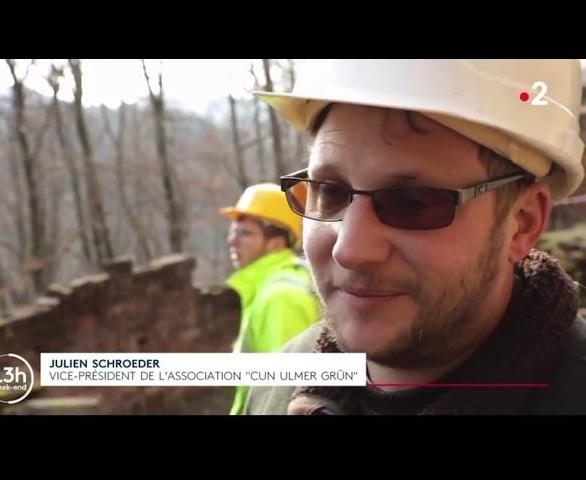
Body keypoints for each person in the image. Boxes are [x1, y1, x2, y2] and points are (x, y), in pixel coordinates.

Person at [244, 59, 586, 415]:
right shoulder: (278, 383)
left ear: (522, 222)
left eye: (412, 202)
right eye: (329, 191)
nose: (350, 250)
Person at [220, 183, 320, 415]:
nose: (232, 241)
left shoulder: (280, 298)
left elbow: (284, 392)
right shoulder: (273, 287)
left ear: (276, 243)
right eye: (233, 231)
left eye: (245, 233)